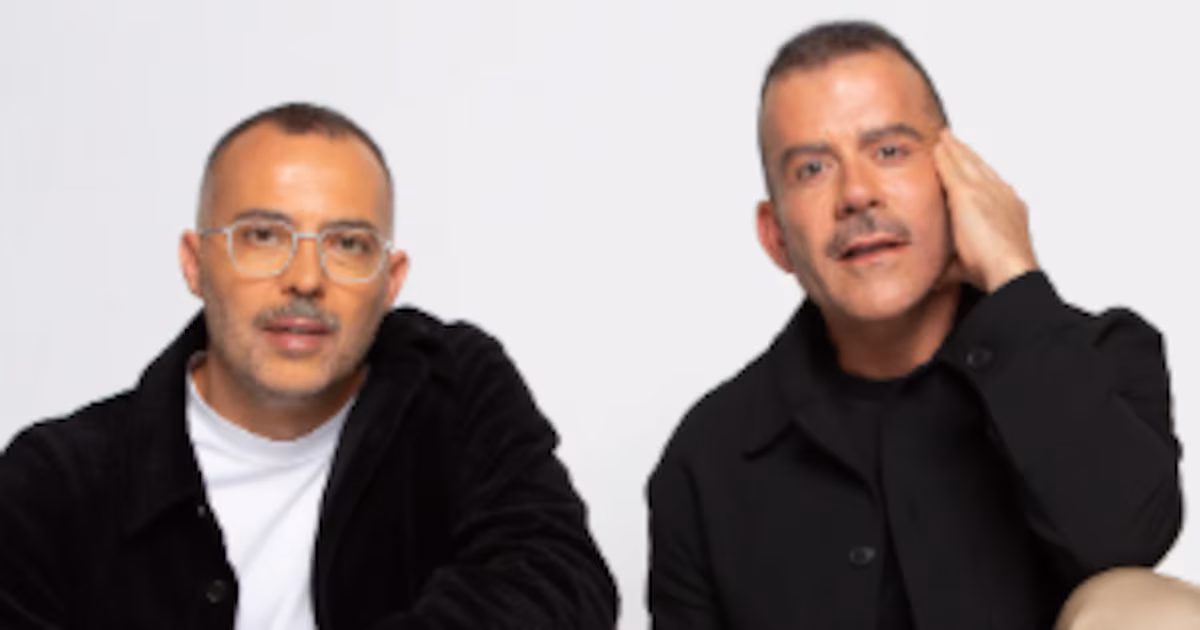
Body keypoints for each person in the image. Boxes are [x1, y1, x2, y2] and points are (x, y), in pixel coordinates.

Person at [647, 21, 1197, 630]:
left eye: (889, 151)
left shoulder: (1103, 357)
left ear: (959, 182)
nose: (857, 194)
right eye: (813, 169)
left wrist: (1012, 273)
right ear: (776, 236)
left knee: (1146, 609)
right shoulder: (705, 460)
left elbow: (1125, 540)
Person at [0, 102, 618, 629]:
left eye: (348, 244)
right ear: (195, 263)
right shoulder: (55, 484)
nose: (305, 279)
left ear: (390, 280)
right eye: (263, 235)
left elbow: (559, 585)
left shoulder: (452, 390)